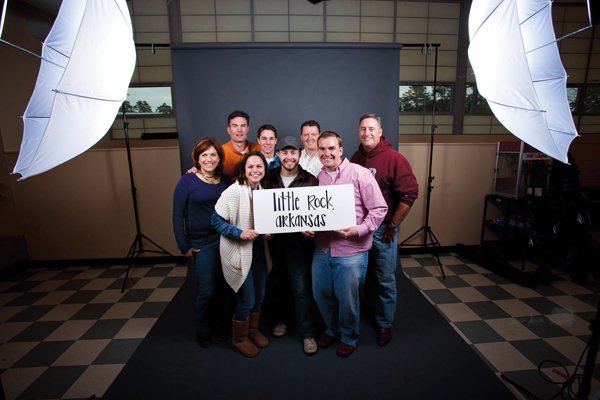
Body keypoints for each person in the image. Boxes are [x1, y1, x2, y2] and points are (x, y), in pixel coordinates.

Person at [306, 131, 387, 358]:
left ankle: (349, 335)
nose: (326, 153)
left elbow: (379, 208)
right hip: (322, 248)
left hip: (351, 250)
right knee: (321, 293)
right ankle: (332, 329)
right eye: (322, 149)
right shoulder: (316, 178)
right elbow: (312, 211)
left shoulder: (359, 174)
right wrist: (307, 225)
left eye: (331, 148)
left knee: (348, 298)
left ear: (340, 150)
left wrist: (358, 230)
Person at [350, 114, 418, 347]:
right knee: (362, 276)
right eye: (362, 129)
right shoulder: (356, 158)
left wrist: (394, 224)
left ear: (380, 131)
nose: (366, 133)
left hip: (384, 229)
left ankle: (384, 324)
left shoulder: (394, 159)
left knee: (384, 278)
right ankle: (368, 313)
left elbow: (409, 193)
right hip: (361, 229)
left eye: (371, 129)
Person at [172, 137, 231, 348]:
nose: (209, 159)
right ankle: (203, 330)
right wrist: (183, 245)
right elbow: (177, 215)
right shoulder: (187, 181)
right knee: (207, 290)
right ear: (197, 158)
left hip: (225, 239)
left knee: (224, 289)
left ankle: (221, 327)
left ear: (219, 158)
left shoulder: (225, 180)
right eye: (204, 154)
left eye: (213, 154)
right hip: (201, 242)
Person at [211, 151, 271, 358]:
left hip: (259, 250)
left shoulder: (263, 190)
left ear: (265, 169)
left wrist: (267, 229)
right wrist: (239, 233)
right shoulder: (234, 191)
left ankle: (252, 331)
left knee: (260, 295)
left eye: (259, 166)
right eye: (251, 167)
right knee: (247, 299)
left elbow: (261, 221)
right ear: (244, 170)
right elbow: (216, 220)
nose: (255, 170)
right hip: (239, 250)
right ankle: (239, 338)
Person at [263, 136, 319, 355]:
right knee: (279, 284)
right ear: (279, 155)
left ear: (299, 154)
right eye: (284, 153)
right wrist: (264, 227)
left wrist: (312, 228)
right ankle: (283, 321)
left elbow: (317, 212)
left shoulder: (310, 179)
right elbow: (262, 208)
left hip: (299, 245)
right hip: (275, 244)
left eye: (293, 152)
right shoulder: (268, 179)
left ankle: (307, 332)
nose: (288, 157)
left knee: (301, 287)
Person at [222, 110, 261, 179]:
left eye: (243, 126)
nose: (239, 130)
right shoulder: (220, 152)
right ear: (228, 130)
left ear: (248, 129)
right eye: (235, 126)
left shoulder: (259, 149)